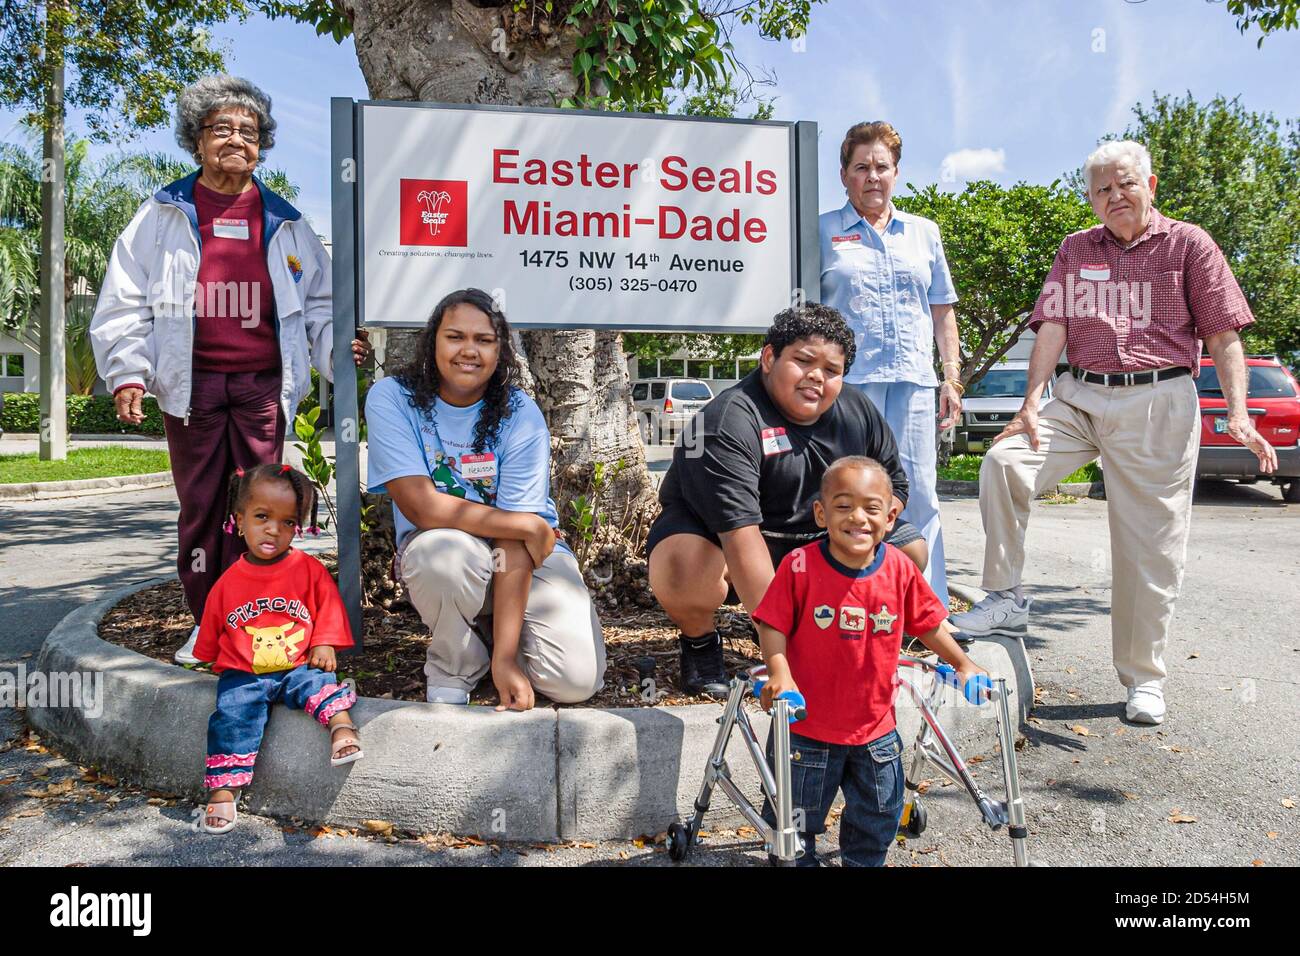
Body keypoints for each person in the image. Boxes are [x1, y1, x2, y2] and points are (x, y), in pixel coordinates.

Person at [948, 140, 1277, 725]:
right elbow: (1051, 325)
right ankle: (1006, 598)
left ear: (1150, 187)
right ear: (1091, 200)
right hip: (1079, 396)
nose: (1114, 196)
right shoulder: (1076, 248)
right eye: (1102, 189)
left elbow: (1224, 335)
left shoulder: (1189, 244)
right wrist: (1029, 401)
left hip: (1158, 399)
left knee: (1148, 549)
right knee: (1004, 464)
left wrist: (1239, 412)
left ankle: (1143, 678)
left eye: (1124, 184)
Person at [90, 74, 370, 665]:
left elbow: (320, 307)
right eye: (221, 129)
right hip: (191, 389)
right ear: (196, 140)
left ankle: (259, 624)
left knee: (259, 506)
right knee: (201, 509)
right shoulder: (162, 215)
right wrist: (129, 373)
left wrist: (336, 351)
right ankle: (206, 626)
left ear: (262, 145)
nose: (236, 141)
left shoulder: (286, 223)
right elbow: (124, 300)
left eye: (249, 131)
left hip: (261, 388)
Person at [647, 304, 925, 698]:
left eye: (831, 371)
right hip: (727, 541)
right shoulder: (727, 421)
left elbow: (894, 481)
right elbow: (742, 539)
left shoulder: (857, 409)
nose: (817, 376)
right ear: (769, 358)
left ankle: (860, 630)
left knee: (908, 549)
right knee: (685, 568)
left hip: (816, 536)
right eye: (803, 361)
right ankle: (699, 642)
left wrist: (880, 518)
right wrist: (786, 655)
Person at [365, 288, 606, 708]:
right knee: (442, 556)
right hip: (454, 549)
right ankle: (455, 662)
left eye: (484, 340)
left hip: (525, 553)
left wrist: (507, 659)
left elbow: (514, 542)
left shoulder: (519, 412)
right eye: (455, 337)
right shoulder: (392, 398)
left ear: (500, 351)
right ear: (432, 341)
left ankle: (496, 637)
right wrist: (525, 523)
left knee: (575, 681)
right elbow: (422, 507)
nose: (468, 351)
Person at [753, 456, 987, 866]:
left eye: (871, 508)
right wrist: (780, 673)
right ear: (822, 514)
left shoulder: (898, 568)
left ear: (891, 516)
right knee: (794, 827)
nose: (857, 517)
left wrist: (963, 662)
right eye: (843, 506)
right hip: (806, 729)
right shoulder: (800, 565)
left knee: (877, 819)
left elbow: (930, 625)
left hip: (876, 730)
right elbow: (772, 623)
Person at [821, 121, 964, 610]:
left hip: (914, 384)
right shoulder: (821, 230)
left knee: (919, 494)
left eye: (882, 167)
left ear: (896, 173)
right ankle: (847, 605)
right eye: (861, 167)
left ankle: (927, 608)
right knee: (848, 494)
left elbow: (942, 308)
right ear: (844, 175)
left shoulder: (924, 233)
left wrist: (951, 377)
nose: (872, 176)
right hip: (849, 389)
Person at [193, 463, 361, 835]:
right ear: (240, 520)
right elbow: (213, 625)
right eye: (263, 517)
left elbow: (328, 605)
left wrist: (323, 641)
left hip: (297, 664)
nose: (274, 529)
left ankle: (342, 728)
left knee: (318, 683)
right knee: (231, 717)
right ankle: (224, 789)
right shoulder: (228, 581)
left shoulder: (308, 569)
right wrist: (207, 655)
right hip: (245, 674)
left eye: (288, 523)